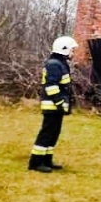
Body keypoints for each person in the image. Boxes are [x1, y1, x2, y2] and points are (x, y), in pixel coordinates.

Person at [28, 36, 79, 173]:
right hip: (52, 106)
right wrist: (60, 102)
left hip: (56, 106)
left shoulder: (60, 63)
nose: (73, 53)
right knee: (47, 133)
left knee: (53, 134)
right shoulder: (55, 64)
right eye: (72, 50)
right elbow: (51, 86)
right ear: (64, 49)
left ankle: (47, 160)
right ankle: (36, 162)